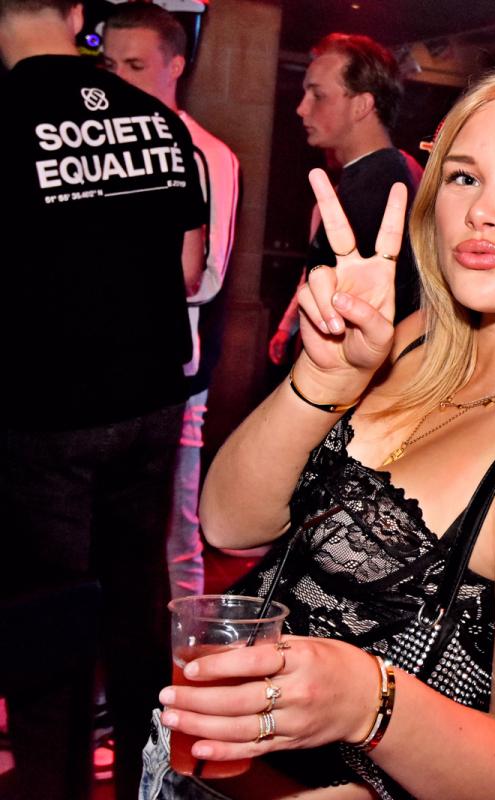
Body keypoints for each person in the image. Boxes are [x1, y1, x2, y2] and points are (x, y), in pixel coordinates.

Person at [141, 66, 495, 799]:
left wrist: (367, 701)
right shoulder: (411, 342)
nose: (482, 210)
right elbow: (229, 524)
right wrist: (322, 381)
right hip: (198, 772)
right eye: (464, 177)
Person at [0, 1, 206, 797]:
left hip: (45, 412)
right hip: (150, 400)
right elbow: (184, 268)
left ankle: (53, 787)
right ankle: (147, 783)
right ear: (76, 12)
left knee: (45, 622)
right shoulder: (156, 120)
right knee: (135, 603)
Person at [103, 1, 241, 598]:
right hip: (106, 363)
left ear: (176, 66)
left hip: (175, 368)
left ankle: (188, 649)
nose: (120, 79)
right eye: (111, 66)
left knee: (174, 526)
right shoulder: (100, 145)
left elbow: (206, 276)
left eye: (136, 65)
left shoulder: (206, 152)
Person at [268, 33, 423, 367]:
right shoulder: (369, 176)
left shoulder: (380, 188)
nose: (301, 108)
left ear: (362, 106)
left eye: (318, 95)